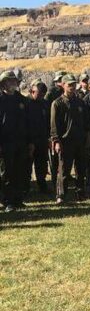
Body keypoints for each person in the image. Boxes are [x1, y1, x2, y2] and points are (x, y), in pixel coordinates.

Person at [50, 74, 90, 205]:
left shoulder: (80, 102)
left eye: (73, 84)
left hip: (79, 140)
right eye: (69, 85)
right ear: (63, 85)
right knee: (64, 171)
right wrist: (56, 141)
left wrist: (87, 136)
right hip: (65, 142)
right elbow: (54, 125)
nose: (72, 87)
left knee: (80, 169)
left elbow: (85, 122)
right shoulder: (57, 103)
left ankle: (80, 193)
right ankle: (61, 195)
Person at [0, 71, 32, 212]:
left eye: (14, 80)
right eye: (9, 80)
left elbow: (28, 122)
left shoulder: (22, 100)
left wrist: (30, 142)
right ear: (3, 83)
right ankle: (7, 201)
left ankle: (18, 199)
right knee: (7, 173)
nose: (12, 83)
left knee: (20, 171)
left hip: (21, 142)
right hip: (5, 143)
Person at [26, 80, 50, 194]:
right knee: (27, 166)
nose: (41, 96)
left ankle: (42, 185)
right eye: (39, 94)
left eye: (43, 95)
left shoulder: (45, 103)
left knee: (41, 165)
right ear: (32, 91)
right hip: (29, 140)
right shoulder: (26, 103)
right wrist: (29, 142)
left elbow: (48, 122)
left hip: (42, 139)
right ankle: (26, 187)